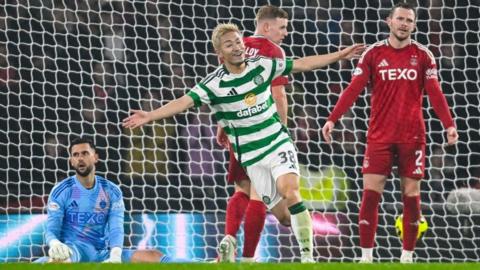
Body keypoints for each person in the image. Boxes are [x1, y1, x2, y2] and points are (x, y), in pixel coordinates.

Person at [123, 23, 364, 263]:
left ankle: (307, 258)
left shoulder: (262, 65)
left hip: (277, 142)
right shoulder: (214, 84)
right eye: (230, 44)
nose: (237, 47)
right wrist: (149, 115)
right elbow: (182, 102)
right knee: (282, 216)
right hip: (251, 157)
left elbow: (302, 63)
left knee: (290, 191)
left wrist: (340, 55)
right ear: (221, 54)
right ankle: (264, 245)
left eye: (238, 41)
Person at [321, 3, 459, 264]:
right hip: (379, 137)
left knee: (411, 195)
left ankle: (407, 256)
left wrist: (449, 124)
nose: (404, 24)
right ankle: (366, 257)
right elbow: (354, 88)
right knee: (370, 194)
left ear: (414, 25)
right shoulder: (373, 54)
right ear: (389, 21)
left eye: (409, 20)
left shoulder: (424, 55)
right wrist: (333, 118)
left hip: (413, 137)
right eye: (400, 19)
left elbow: (435, 92)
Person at [214, 5, 291, 262]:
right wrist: (281, 133)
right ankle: (247, 259)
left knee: (242, 188)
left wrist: (222, 124)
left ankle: (229, 237)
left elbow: (225, 89)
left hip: (238, 129)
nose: (285, 33)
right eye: (282, 27)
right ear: (266, 26)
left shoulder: (235, 46)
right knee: (259, 193)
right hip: (263, 131)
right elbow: (279, 96)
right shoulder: (272, 52)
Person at [35, 137, 183, 263]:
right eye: (75, 155)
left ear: (95, 157)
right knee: (59, 262)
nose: (80, 158)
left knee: (153, 256)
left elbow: (116, 228)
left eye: (85, 153)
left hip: (103, 252)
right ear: (71, 161)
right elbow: (51, 229)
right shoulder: (62, 190)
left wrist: (115, 254)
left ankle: (204, 264)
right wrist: (54, 243)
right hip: (74, 251)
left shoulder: (111, 190)